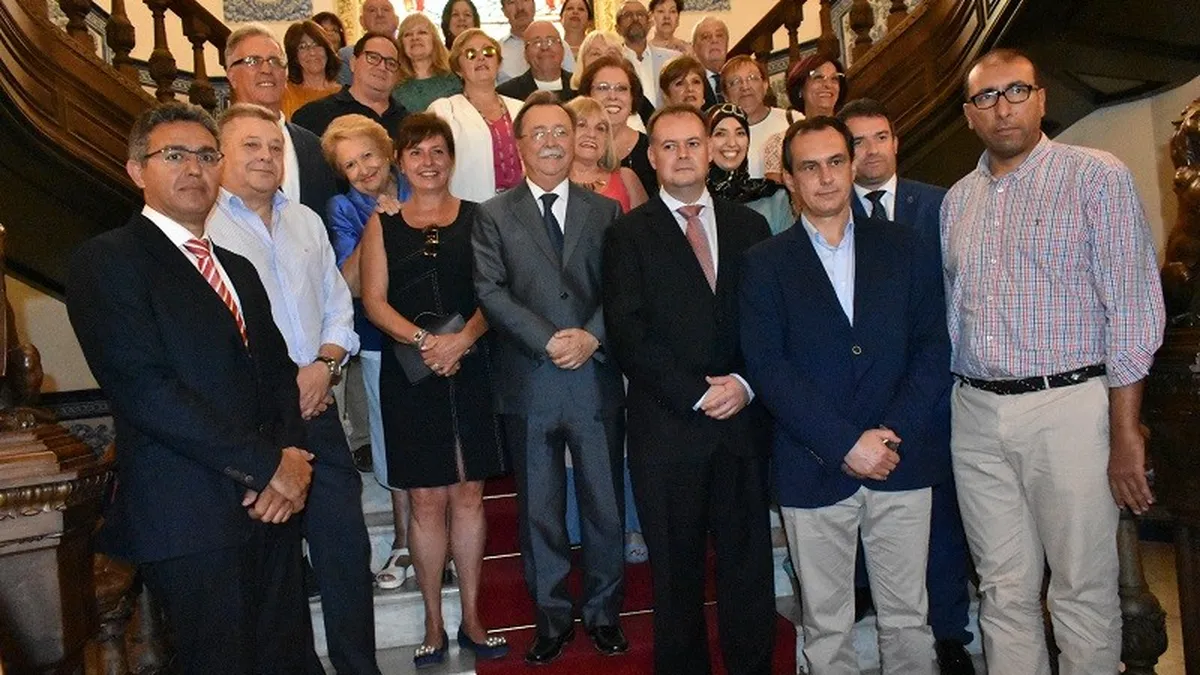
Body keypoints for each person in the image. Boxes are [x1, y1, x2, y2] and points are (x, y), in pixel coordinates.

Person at [67, 102, 315, 675]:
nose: (194, 168)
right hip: (190, 517)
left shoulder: (238, 268)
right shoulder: (106, 261)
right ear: (137, 170)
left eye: (207, 155)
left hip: (272, 510)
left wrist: (291, 460)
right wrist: (266, 466)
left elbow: (278, 376)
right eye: (174, 155)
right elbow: (146, 392)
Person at [943, 48, 1165, 675]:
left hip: (1067, 407)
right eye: (986, 97)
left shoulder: (1095, 176)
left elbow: (1133, 310)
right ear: (968, 114)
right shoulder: (957, 201)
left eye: (1016, 91)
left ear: (1041, 99)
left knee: (1081, 589)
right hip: (976, 413)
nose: (1003, 108)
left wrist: (1125, 430)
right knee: (1002, 591)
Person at [741, 115, 949, 675]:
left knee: (908, 619)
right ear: (789, 180)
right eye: (809, 167)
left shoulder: (905, 247)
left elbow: (933, 348)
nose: (826, 177)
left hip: (900, 462)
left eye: (836, 162)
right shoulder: (763, 264)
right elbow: (769, 368)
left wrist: (889, 435)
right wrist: (844, 444)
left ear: (853, 166)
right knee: (827, 627)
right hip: (812, 466)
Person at [602, 104, 775, 675]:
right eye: (670, 146)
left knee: (748, 568)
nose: (683, 155)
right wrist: (697, 394)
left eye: (693, 143)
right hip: (668, 428)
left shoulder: (751, 227)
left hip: (742, 424)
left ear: (711, 150)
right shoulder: (626, 234)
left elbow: (769, 322)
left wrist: (745, 383)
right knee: (676, 577)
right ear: (651, 156)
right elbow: (628, 333)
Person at [206, 103, 377, 675]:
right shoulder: (204, 227)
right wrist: (287, 383)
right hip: (253, 421)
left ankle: (360, 667)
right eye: (251, 146)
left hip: (318, 404)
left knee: (345, 548)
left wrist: (325, 365)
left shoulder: (304, 220)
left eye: (275, 147)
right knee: (275, 562)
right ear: (220, 155)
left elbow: (337, 303)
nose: (267, 156)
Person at [472, 91, 628, 665]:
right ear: (518, 144)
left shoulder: (605, 211)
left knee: (605, 504)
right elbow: (489, 291)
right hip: (530, 379)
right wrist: (548, 340)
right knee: (539, 508)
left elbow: (623, 288)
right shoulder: (493, 214)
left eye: (561, 131)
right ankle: (553, 618)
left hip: (593, 376)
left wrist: (591, 336)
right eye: (538, 133)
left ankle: (605, 614)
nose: (551, 142)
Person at [360, 112, 510, 669]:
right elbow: (374, 302)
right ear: (400, 162)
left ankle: (472, 618)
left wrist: (461, 341)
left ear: (451, 159)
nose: (429, 162)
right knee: (425, 498)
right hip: (410, 372)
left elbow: (496, 292)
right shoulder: (383, 224)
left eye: (438, 151)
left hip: (472, 365)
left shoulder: (480, 218)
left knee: (469, 494)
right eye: (417, 152)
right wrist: (427, 342)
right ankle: (431, 621)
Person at [837, 97, 975, 674]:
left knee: (940, 522)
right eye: (857, 141)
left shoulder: (940, 204)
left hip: (929, 392)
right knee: (860, 511)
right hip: (857, 397)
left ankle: (950, 632)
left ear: (896, 142)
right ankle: (866, 594)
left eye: (880, 137)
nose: (870, 150)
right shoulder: (829, 210)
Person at [321, 114, 412, 591]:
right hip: (379, 340)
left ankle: (436, 539)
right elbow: (349, 283)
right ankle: (403, 541)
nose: (362, 169)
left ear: (388, 151)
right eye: (349, 165)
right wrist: (378, 219)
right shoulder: (342, 207)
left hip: (440, 333)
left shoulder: (420, 179)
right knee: (393, 440)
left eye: (368, 156)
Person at [224, 25, 338, 225]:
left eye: (275, 61)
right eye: (253, 61)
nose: (267, 69)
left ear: (285, 75)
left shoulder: (314, 146)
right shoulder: (214, 144)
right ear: (231, 76)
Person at [428, 29, 525, 203]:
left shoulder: (521, 108)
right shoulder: (444, 110)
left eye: (488, 52)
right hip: (468, 208)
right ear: (459, 69)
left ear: (498, 63)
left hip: (520, 206)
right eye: (471, 54)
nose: (481, 58)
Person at [293, 32, 410, 141]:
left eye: (391, 63)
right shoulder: (313, 116)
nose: (382, 67)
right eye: (373, 57)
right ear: (353, 62)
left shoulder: (408, 123)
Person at [705, 104, 792, 234]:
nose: (732, 143)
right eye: (720, 134)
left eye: (740, 133)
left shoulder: (773, 198)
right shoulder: (692, 199)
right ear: (705, 141)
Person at [578, 54, 656, 195]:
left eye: (621, 89)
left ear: (633, 98)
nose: (613, 96)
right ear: (587, 95)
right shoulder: (574, 149)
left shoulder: (652, 149)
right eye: (603, 88)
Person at [763, 54, 846, 183]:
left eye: (834, 79)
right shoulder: (780, 143)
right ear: (800, 89)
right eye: (818, 77)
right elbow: (778, 194)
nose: (828, 85)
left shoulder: (852, 134)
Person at [566, 96, 647, 212]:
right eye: (582, 125)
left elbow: (645, 222)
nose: (592, 134)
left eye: (600, 128)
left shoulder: (626, 178)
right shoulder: (551, 181)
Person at [720, 55, 788, 179]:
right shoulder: (718, 134)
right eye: (735, 82)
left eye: (752, 78)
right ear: (725, 95)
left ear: (765, 84)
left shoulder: (790, 120)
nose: (745, 87)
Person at [571, 30, 655, 126]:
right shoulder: (569, 101)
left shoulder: (637, 99)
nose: (604, 58)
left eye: (611, 53)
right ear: (583, 60)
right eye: (596, 53)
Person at [615, 0, 680, 109]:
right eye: (628, 15)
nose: (635, 19)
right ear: (617, 29)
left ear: (649, 24)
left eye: (640, 14)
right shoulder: (614, 62)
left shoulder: (672, 59)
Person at [393, 12, 462, 113]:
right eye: (408, 34)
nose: (415, 38)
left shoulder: (453, 80)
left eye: (422, 32)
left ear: (434, 40)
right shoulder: (394, 84)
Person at [497, 20, 577, 102]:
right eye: (536, 42)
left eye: (551, 41)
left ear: (562, 49)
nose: (545, 47)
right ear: (525, 54)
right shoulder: (506, 94)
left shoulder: (580, 87)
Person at [498, 0, 575, 83]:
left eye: (525, 0)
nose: (520, 8)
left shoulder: (558, 46)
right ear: (504, 11)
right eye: (512, 2)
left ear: (534, 5)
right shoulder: (498, 51)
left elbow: (573, 83)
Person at [282, 20, 342, 120]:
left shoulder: (342, 95)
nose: (312, 52)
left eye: (317, 44)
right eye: (302, 47)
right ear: (294, 56)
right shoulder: (285, 94)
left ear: (327, 50)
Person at [337, 0, 398, 85]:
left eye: (386, 10)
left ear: (397, 20)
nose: (379, 14)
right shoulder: (347, 55)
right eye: (372, 10)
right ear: (362, 21)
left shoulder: (408, 53)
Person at [691, 16, 729, 108]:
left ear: (727, 43)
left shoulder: (737, 78)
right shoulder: (689, 83)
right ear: (694, 48)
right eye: (706, 37)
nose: (714, 40)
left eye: (719, 35)